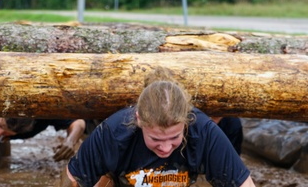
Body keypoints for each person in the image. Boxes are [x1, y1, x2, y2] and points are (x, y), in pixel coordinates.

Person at [65, 66, 256, 187]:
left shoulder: (204, 131)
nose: (165, 148)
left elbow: (243, 184)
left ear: (186, 121)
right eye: (156, 139)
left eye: (174, 138)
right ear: (139, 120)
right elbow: (72, 178)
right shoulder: (114, 132)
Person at [0, 117, 85, 162]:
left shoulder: (43, 117)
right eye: (0, 125)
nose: (0, 132)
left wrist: (70, 141)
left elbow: (78, 122)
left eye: (7, 131)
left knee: (0, 162)